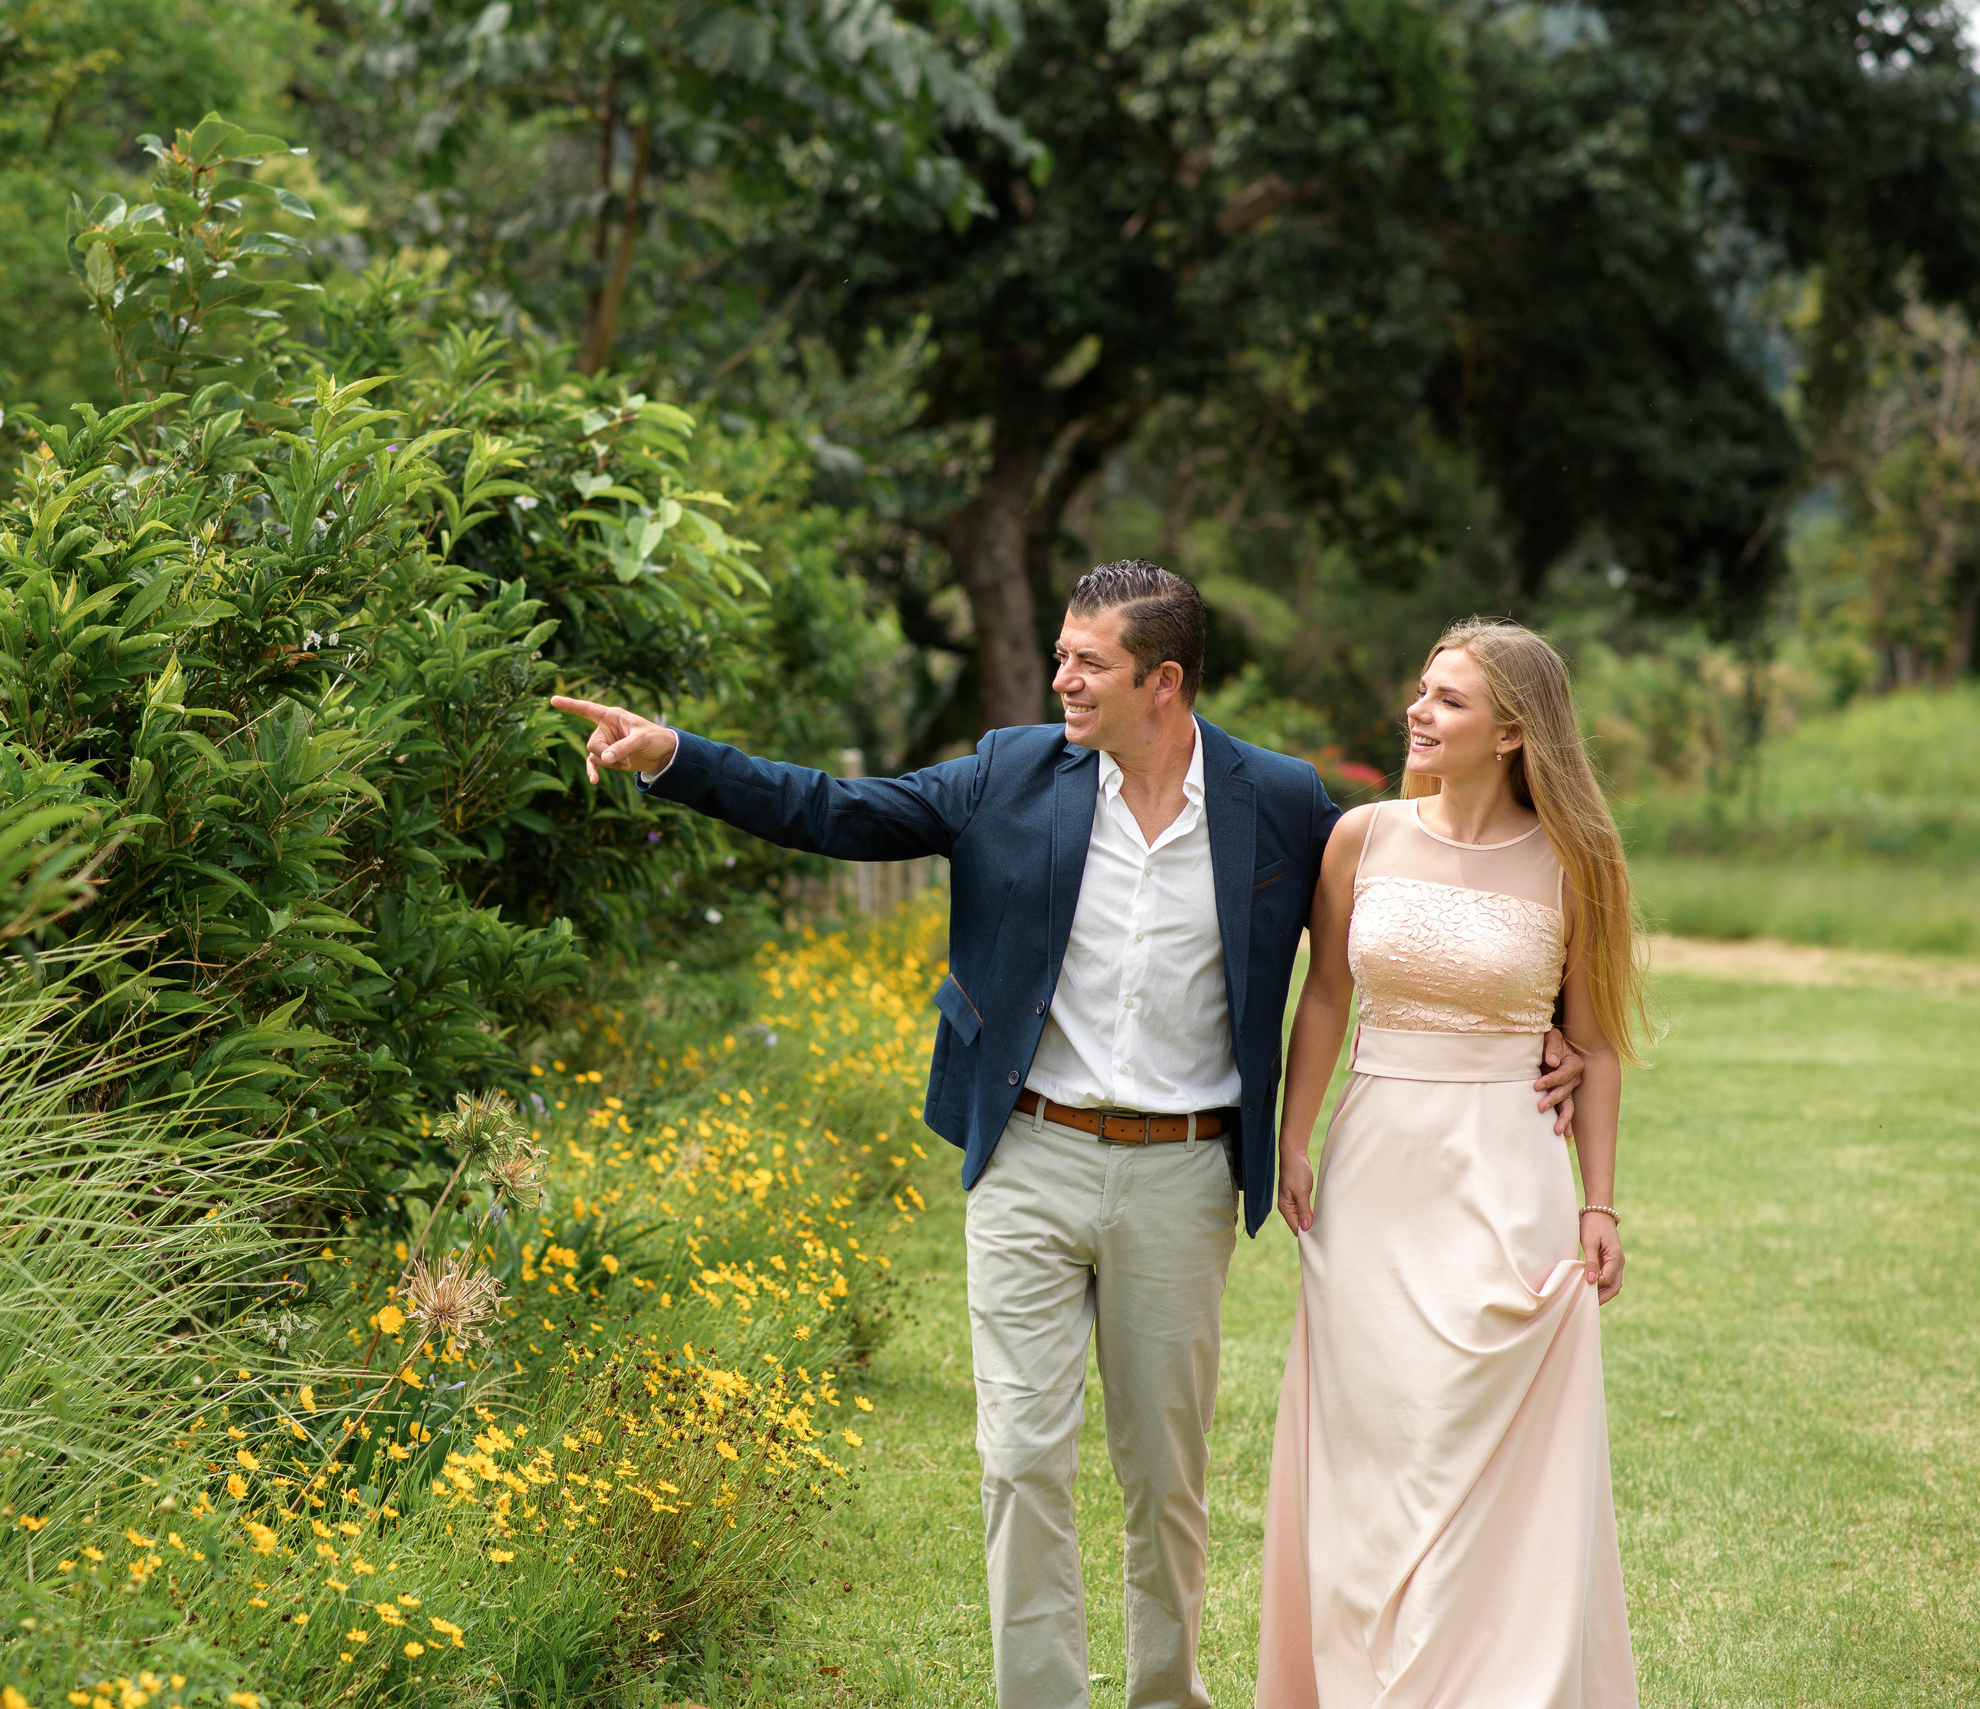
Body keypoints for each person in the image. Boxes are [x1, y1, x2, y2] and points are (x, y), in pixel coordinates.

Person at [554, 563, 1587, 1709]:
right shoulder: (1009, 772)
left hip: (1185, 1173)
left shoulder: (1281, 802)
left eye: (1088, 661)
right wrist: (675, 757)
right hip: (1030, 1159)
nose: (1063, 678)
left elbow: (1403, 931)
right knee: (1020, 1457)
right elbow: (842, 811)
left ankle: (1165, 1695)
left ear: (1164, 680)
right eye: (1061, 654)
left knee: (1164, 1479)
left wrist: (1551, 1029)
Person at [1256, 619, 1645, 1709]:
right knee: (1375, 1444)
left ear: (1513, 732)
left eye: (1447, 700)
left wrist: (1599, 1200)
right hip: (1377, 1164)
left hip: (1509, 1167)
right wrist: (1295, 1135)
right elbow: (1325, 993)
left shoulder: (1577, 861)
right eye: (1421, 689)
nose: (1417, 712)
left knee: (1478, 1438)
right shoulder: (1360, 837)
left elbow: (1598, 1042)